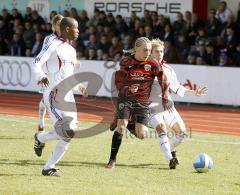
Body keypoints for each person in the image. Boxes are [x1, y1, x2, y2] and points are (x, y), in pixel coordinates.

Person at [127, 39, 208, 169]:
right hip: (152, 108)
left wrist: (194, 93)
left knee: (181, 133)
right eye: (156, 51)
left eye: (161, 51)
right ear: (150, 53)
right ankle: (170, 160)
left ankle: (171, 150)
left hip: (168, 107)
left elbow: (177, 88)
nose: (159, 54)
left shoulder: (168, 69)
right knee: (162, 130)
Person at [33, 17, 87, 176]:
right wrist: (41, 75)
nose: (78, 31)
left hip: (68, 95)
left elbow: (68, 74)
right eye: (76, 28)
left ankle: (47, 163)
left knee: (71, 131)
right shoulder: (52, 44)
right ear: (67, 29)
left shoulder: (71, 50)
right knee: (67, 131)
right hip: (53, 95)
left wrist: (79, 85)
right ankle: (42, 143)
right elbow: (37, 61)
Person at [106, 37, 169, 169]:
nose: (148, 53)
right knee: (121, 126)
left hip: (142, 101)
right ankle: (112, 160)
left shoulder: (153, 64)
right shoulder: (126, 62)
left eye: (150, 50)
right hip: (126, 98)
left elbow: (163, 80)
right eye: (145, 50)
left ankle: (125, 121)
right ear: (136, 50)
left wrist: (164, 97)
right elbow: (118, 82)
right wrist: (128, 88)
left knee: (142, 135)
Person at [37, 14, 64, 132]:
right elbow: (44, 56)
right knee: (48, 99)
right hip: (48, 73)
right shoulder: (49, 38)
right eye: (58, 24)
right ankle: (44, 123)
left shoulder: (66, 39)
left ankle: (43, 122)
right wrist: (42, 73)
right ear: (54, 26)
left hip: (60, 74)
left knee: (49, 99)